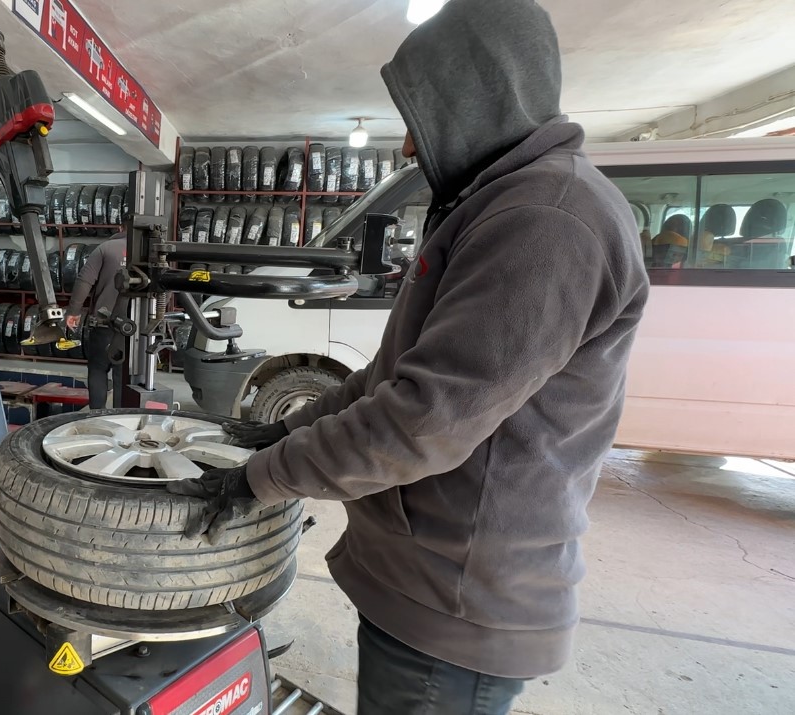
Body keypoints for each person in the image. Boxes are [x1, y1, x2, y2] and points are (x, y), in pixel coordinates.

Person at [167, 1, 650, 713]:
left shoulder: (543, 222)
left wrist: (257, 480)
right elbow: (396, 374)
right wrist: (288, 431)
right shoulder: (507, 203)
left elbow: (421, 420)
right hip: (429, 581)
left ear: (476, 100)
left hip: (454, 608)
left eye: (420, 119)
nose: (405, 150)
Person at [65, 234, 126, 409]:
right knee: (125, 376)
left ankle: (96, 415)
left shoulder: (106, 248)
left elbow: (84, 280)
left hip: (104, 323)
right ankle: (124, 416)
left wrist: (73, 312)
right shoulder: (150, 250)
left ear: (121, 226)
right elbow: (165, 288)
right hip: (133, 327)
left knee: (98, 370)